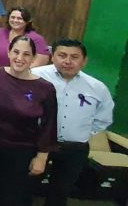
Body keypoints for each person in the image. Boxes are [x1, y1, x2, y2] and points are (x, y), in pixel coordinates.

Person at [0, 35, 57, 206]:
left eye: (26, 54)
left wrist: (42, 156)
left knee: (13, 197)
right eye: (16, 52)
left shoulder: (45, 88)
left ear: (33, 58)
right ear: (8, 53)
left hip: (21, 152)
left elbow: (49, 125)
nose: (20, 58)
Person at [33, 39, 115, 206]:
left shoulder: (97, 87)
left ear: (84, 61)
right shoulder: (35, 76)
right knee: (26, 187)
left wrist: (81, 132)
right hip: (38, 144)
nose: (67, 61)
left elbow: (103, 118)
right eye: (62, 55)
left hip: (75, 148)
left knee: (60, 193)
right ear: (52, 57)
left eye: (74, 57)